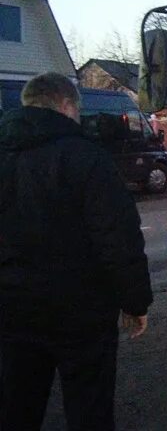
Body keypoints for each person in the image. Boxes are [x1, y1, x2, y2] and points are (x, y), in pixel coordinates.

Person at [0, 73, 153, 430]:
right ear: (67, 105)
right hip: (82, 313)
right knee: (89, 409)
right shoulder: (87, 158)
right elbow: (117, 238)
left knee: (15, 407)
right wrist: (134, 303)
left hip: (11, 309)